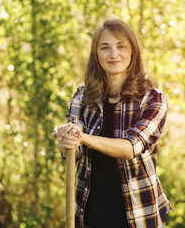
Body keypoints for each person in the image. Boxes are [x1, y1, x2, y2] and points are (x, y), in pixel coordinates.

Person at [52, 19, 172, 228]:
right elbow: (73, 148)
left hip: (139, 214)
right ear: (96, 55)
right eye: (105, 47)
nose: (113, 54)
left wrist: (83, 137)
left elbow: (131, 147)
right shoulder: (83, 96)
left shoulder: (152, 99)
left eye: (121, 46)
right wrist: (68, 139)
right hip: (90, 213)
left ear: (132, 52)